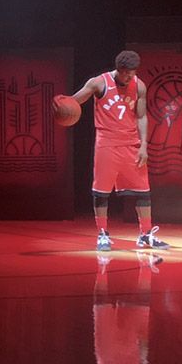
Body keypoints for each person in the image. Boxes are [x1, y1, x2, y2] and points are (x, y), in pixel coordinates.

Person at [57, 50, 169, 251]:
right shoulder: (99, 83)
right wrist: (62, 104)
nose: (130, 77)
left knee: (144, 192)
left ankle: (145, 234)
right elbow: (74, 101)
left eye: (133, 73)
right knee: (101, 192)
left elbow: (141, 117)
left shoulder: (139, 86)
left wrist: (144, 145)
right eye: (126, 73)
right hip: (106, 143)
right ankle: (102, 235)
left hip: (130, 143)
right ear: (119, 69)